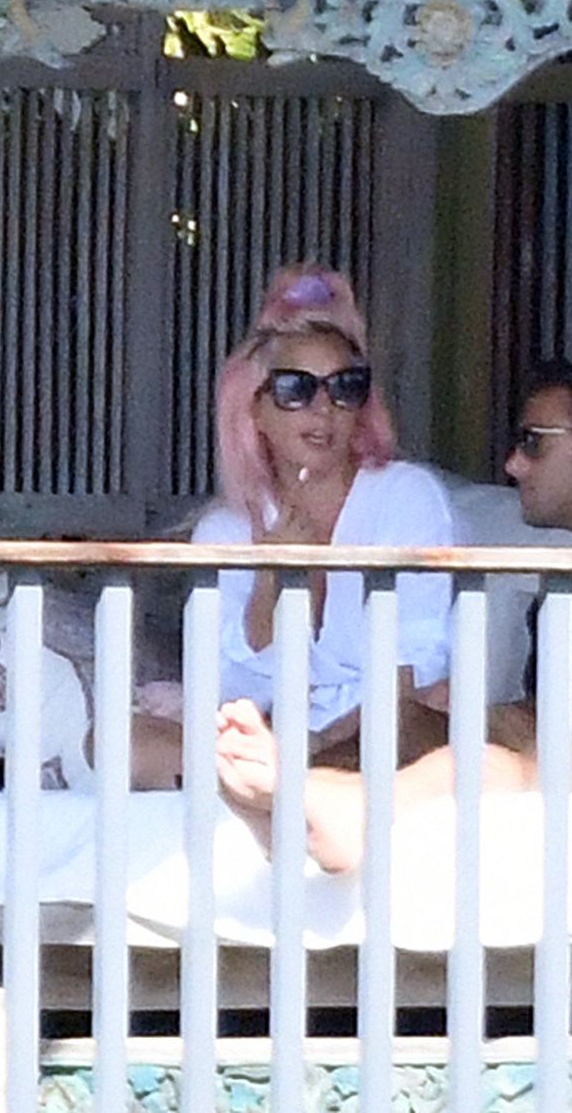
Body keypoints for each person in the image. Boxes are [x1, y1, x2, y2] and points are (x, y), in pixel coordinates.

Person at [215, 357, 572, 871]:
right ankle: (298, 795)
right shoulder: (560, 588)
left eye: (534, 443)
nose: (513, 464)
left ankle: (343, 814)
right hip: (570, 739)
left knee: (483, 759)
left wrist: (497, 714)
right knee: (405, 721)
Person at [126, 265, 455, 788]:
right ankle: (286, 789)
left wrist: (320, 745)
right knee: (119, 742)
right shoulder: (226, 528)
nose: (323, 408)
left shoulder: (405, 495)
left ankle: (283, 790)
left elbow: (419, 667)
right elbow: (225, 688)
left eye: (345, 388)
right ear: (254, 409)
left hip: (371, 731)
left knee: (418, 720)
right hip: (265, 735)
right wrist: (272, 579)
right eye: (295, 389)